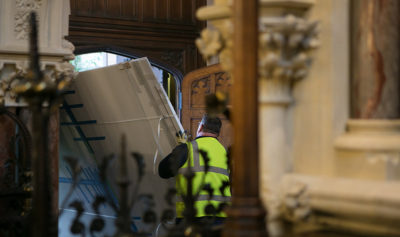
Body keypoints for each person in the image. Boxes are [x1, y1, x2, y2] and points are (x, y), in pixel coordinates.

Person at [158, 114, 231, 224]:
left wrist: (179, 150)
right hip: (220, 218)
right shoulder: (225, 153)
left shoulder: (186, 149)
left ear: (200, 127)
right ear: (217, 133)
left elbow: (162, 171)